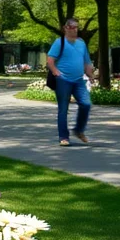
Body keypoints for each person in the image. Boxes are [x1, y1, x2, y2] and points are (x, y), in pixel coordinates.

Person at [47, 18, 94, 146]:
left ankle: (79, 130)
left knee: (86, 104)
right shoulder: (59, 42)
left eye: (76, 27)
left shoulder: (81, 43)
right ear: (65, 28)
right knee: (63, 109)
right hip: (63, 80)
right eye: (72, 27)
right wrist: (56, 72)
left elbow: (87, 61)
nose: (75, 29)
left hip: (79, 80)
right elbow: (50, 60)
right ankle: (64, 137)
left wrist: (90, 74)